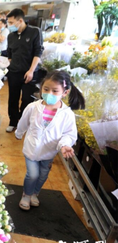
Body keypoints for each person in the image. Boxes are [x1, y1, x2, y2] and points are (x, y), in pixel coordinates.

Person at [15, 70, 85, 211]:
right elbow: (24, 122)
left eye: (55, 91)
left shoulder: (67, 114)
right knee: (32, 174)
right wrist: (19, 132)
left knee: (42, 176)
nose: (49, 94)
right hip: (32, 149)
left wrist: (65, 145)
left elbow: (69, 134)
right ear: (41, 88)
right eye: (46, 89)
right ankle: (26, 195)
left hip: (49, 151)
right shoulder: (33, 107)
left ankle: (35, 193)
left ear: (64, 93)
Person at [5, 8, 44, 133]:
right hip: (14, 73)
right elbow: (10, 54)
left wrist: (31, 70)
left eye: (11, 22)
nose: (9, 25)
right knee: (13, 98)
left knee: (27, 99)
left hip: (30, 73)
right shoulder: (11, 36)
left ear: (20, 20)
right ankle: (12, 121)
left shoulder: (34, 32)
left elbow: (38, 52)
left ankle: (22, 122)